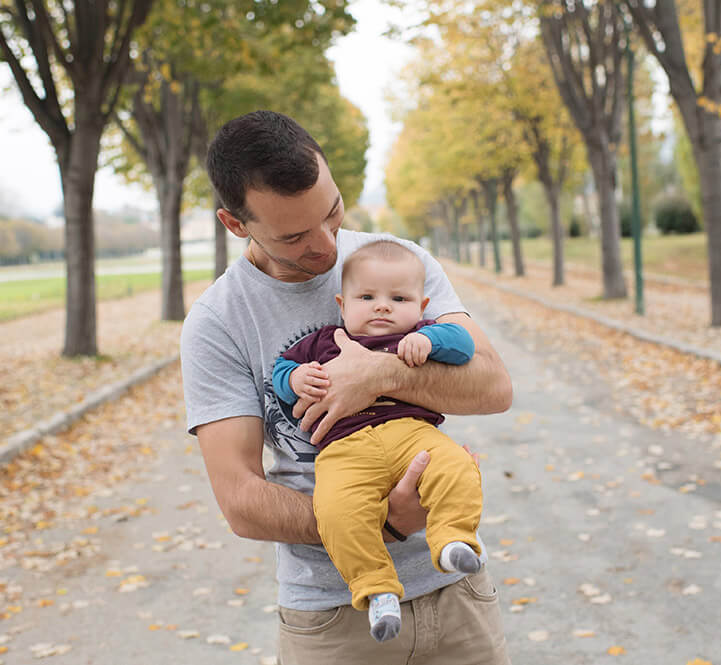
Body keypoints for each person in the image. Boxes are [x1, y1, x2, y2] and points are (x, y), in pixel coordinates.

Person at [180, 110, 513, 665]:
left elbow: (494, 385)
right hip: (331, 617)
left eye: (332, 212)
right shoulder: (217, 323)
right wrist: (384, 521)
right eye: (294, 236)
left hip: (456, 598)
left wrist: (382, 373)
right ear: (236, 225)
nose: (328, 246)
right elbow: (240, 500)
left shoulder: (395, 264)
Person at [272, 239, 484, 643]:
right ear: (342, 304)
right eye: (366, 297)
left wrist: (433, 342)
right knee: (335, 508)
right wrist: (295, 379)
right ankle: (376, 589)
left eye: (398, 298)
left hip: (411, 433)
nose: (382, 306)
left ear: (421, 307)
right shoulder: (323, 342)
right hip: (344, 450)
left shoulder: (420, 334)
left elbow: (464, 345)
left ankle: (454, 538)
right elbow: (282, 369)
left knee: (456, 465)